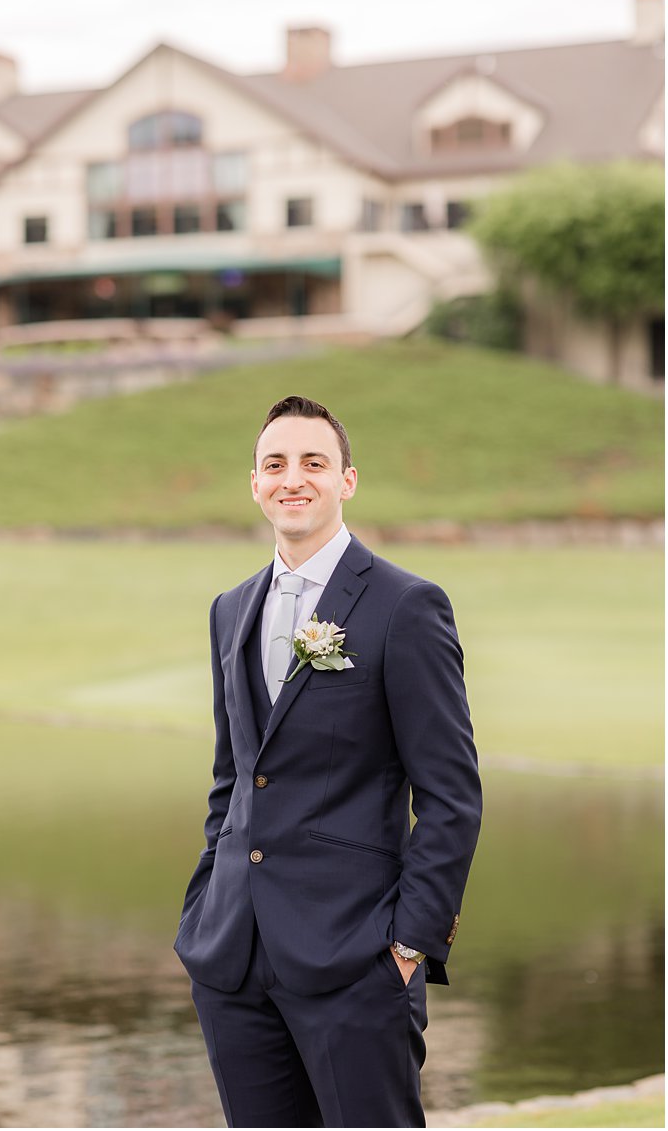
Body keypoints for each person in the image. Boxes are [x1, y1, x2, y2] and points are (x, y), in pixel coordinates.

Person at [173, 395, 482, 1128]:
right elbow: (235, 775)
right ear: (254, 483)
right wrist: (203, 908)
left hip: (356, 962)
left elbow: (450, 796)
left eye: (314, 462)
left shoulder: (407, 606)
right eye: (276, 464)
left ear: (347, 480)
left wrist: (409, 946)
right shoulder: (231, 607)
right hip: (233, 959)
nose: (293, 479)